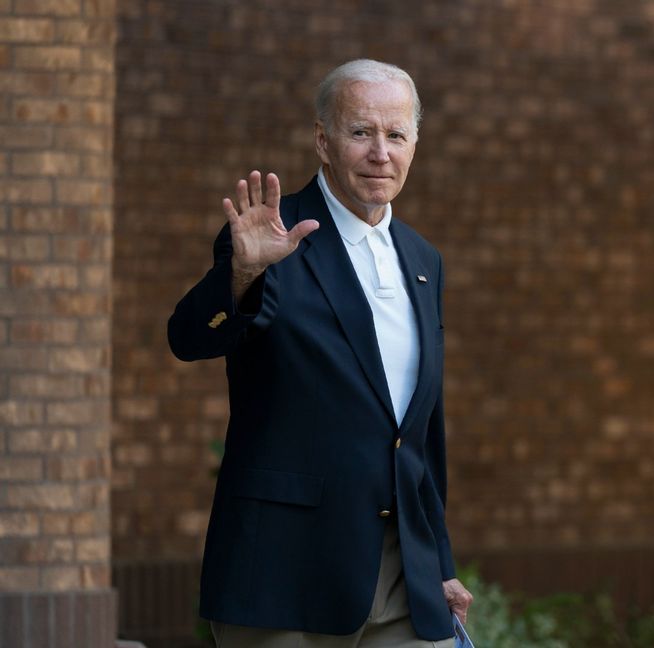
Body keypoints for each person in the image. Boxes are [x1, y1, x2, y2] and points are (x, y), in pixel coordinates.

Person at [169, 59, 471, 648]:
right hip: (285, 572)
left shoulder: (422, 259)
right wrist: (241, 275)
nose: (380, 152)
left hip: (400, 573)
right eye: (361, 132)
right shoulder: (273, 238)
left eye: (396, 135)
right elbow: (189, 338)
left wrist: (440, 559)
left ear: (414, 144)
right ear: (323, 141)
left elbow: (419, 431)